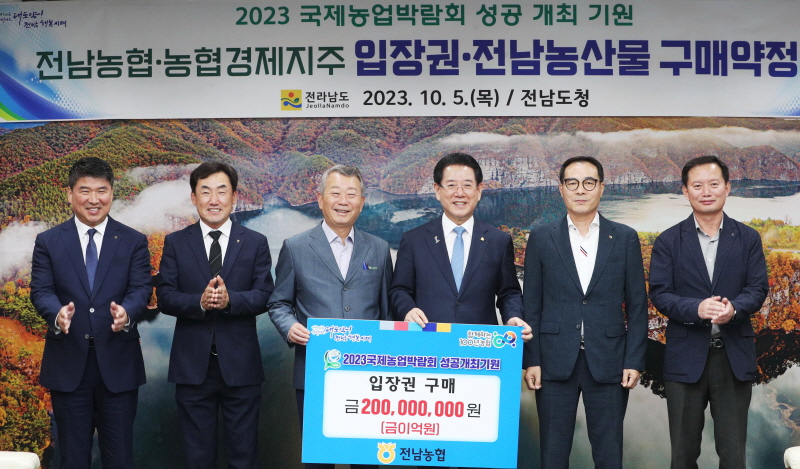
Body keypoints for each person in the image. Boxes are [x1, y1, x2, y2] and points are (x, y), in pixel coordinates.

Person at [523, 156, 648, 469]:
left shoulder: (624, 237)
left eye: (589, 183)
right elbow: (532, 305)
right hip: (553, 362)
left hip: (609, 360)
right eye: (572, 183)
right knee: (553, 455)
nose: (581, 190)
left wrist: (634, 360)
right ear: (561, 188)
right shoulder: (541, 237)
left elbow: (637, 305)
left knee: (608, 455)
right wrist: (531, 360)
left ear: (602, 188)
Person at [30, 157, 151, 469]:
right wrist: (57, 314)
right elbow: (41, 291)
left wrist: (127, 313)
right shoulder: (49, 241)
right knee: (72, 459)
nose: (94, 199)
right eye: (85, 190)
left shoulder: (133, 241)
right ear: (70, 194)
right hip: (68, 365)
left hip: (118, 364)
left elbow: (141, 289)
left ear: (112, 193)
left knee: (120, 458)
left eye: (102, 190)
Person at [268, 164, 392, 469]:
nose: (343, 201)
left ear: (362, 202)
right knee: (319, 462)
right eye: (335, 193)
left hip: (369, 378)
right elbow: (278, 303)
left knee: (366, 461)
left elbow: (388, 312)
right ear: (320, 199)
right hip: (316, 373)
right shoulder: (295, 247)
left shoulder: (379, 249)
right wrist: (290, 327)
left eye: (352, 194)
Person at [649, 155, 768, 469]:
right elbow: (660, 293)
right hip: (685, 358)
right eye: (697, 185)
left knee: (733, 455)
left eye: (714, 184)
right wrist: (696, 308)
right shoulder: (668, 241)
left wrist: (735, 309)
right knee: (683, 455)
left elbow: (757, 289)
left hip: (733, 357)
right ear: (685, 191)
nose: (706, 192)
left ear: (727, 187)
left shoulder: (748, 238)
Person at [156, 162, 274, 469]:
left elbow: (265, 295)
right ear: (193, 198)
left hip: (241, 366)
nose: (214, 200)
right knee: (198, 458)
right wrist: (199, 302)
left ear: (234, 197)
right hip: (192, 367)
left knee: (244, 457)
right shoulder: (176, 242)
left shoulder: (255, 242)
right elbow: (165, 296)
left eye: (222, 191)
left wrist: (230, 300)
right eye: (205, 191)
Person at [390, 152, 528, 333]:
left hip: (480, 341)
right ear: (437, 190)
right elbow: (399, 290)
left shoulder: (498, 241)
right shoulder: (414, 240)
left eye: (467, 185)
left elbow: (509, 293)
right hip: (428, 340)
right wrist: (408, 310)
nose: (460, 193)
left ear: (479, 190)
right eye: (451, 185)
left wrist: (513, 317)